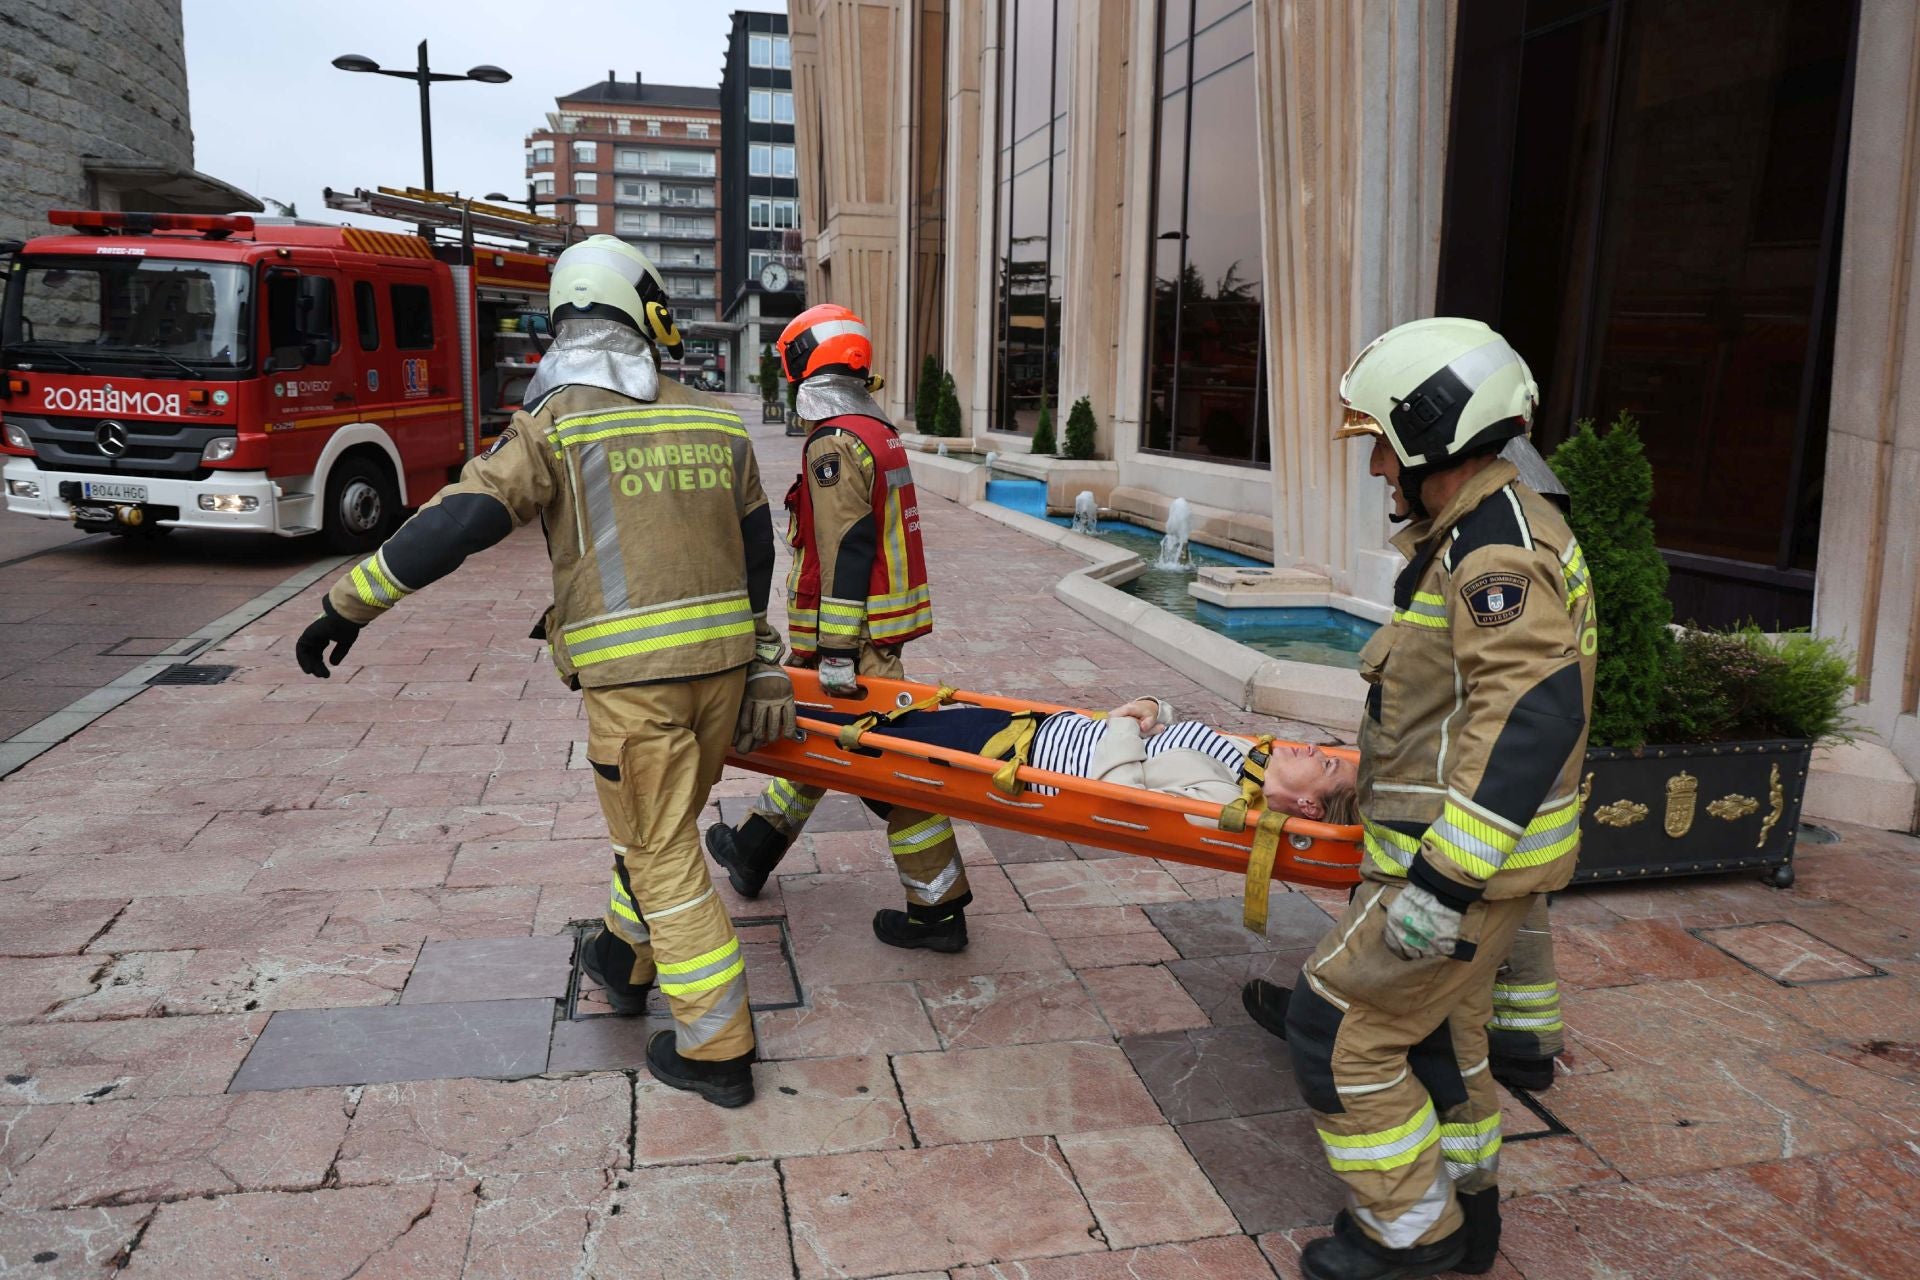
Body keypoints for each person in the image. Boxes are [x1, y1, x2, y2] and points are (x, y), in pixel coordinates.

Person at [294, 236, 795, 1110]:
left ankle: (718, 1048)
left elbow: (459, 523)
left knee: (663, 847)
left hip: (636, 686)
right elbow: (758, 554)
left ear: (565, 324)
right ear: (648, 315)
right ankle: (619, 956)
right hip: (720, 676)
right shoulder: (717, 421)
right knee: (659, 824)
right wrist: (757, 665)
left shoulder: (557, 423)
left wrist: (350, 603)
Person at [1275, 318, 1596, 1280]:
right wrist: (1361, 796)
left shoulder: (1492, 555)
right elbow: (1446, 717)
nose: (1376, 464)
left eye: (1382, 439)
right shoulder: (1490, 529)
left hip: (1456, 871)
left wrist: (1443, 884)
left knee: (1335, 1029)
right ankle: (1471, 1218)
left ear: (1433, 435)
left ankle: (1411, 1238)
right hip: (1454, 856)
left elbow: (1532, 717)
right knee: (1442, 1046)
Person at [704, 304, 977, 953]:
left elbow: (848, 546)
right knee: (815, 740)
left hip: (850, 642)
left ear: (807, 365)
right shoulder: (875, 431)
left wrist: (833, 655)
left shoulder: (835, 441)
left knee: (888, 769)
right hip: (865, 633)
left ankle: (938, 910)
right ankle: (754, 847)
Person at [800, 694, 1358, 824]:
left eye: (1328, 764)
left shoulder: (1229, 799)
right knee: (885, 724)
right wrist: (1151, 706)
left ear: (1309, 805)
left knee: (863, 736)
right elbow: (1173, 730)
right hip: (1026, 731)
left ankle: (765, 718)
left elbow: (1126, 798)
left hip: (1008, 756)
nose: (1315, 748)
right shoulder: (1249, 757)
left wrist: (1121, 723)